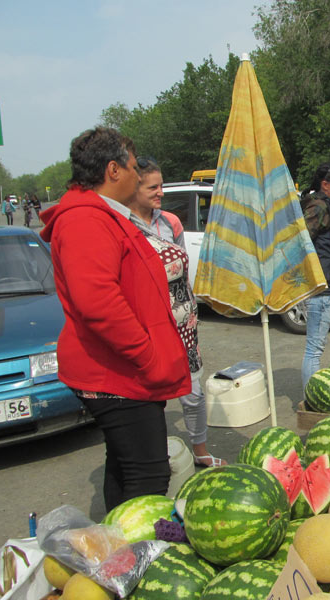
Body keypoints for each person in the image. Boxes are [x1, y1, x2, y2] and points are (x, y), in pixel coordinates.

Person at [40, 127, 191, 512]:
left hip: (123, 371)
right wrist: (148, 357)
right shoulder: (85, 221)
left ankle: (114, 553)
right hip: (118, 374)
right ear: (113, 170)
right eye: (132, 168)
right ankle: (138, 563)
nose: (139, 177)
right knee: (149, 476)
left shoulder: (100, 215)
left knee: (125, 467)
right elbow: (98, 303)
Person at [127, 156, 226, 468]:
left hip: (183, 321)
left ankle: (200, 449)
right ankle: (154, 456)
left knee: (193, 392)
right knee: (151, 394)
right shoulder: (124, 226)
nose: (160, 193)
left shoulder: (170, 222)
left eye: (161, 185)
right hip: (149, 323)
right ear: (134, 187)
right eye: (153, 187)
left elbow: (181, 268)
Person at [300, 161, 330, 389]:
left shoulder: (328, 206)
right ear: (325, 184)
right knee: (314, 349)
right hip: (321, 291)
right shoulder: (318, 208)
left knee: (315, 348)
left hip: (327, 290)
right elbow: (300, 242)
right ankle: (311, 397)